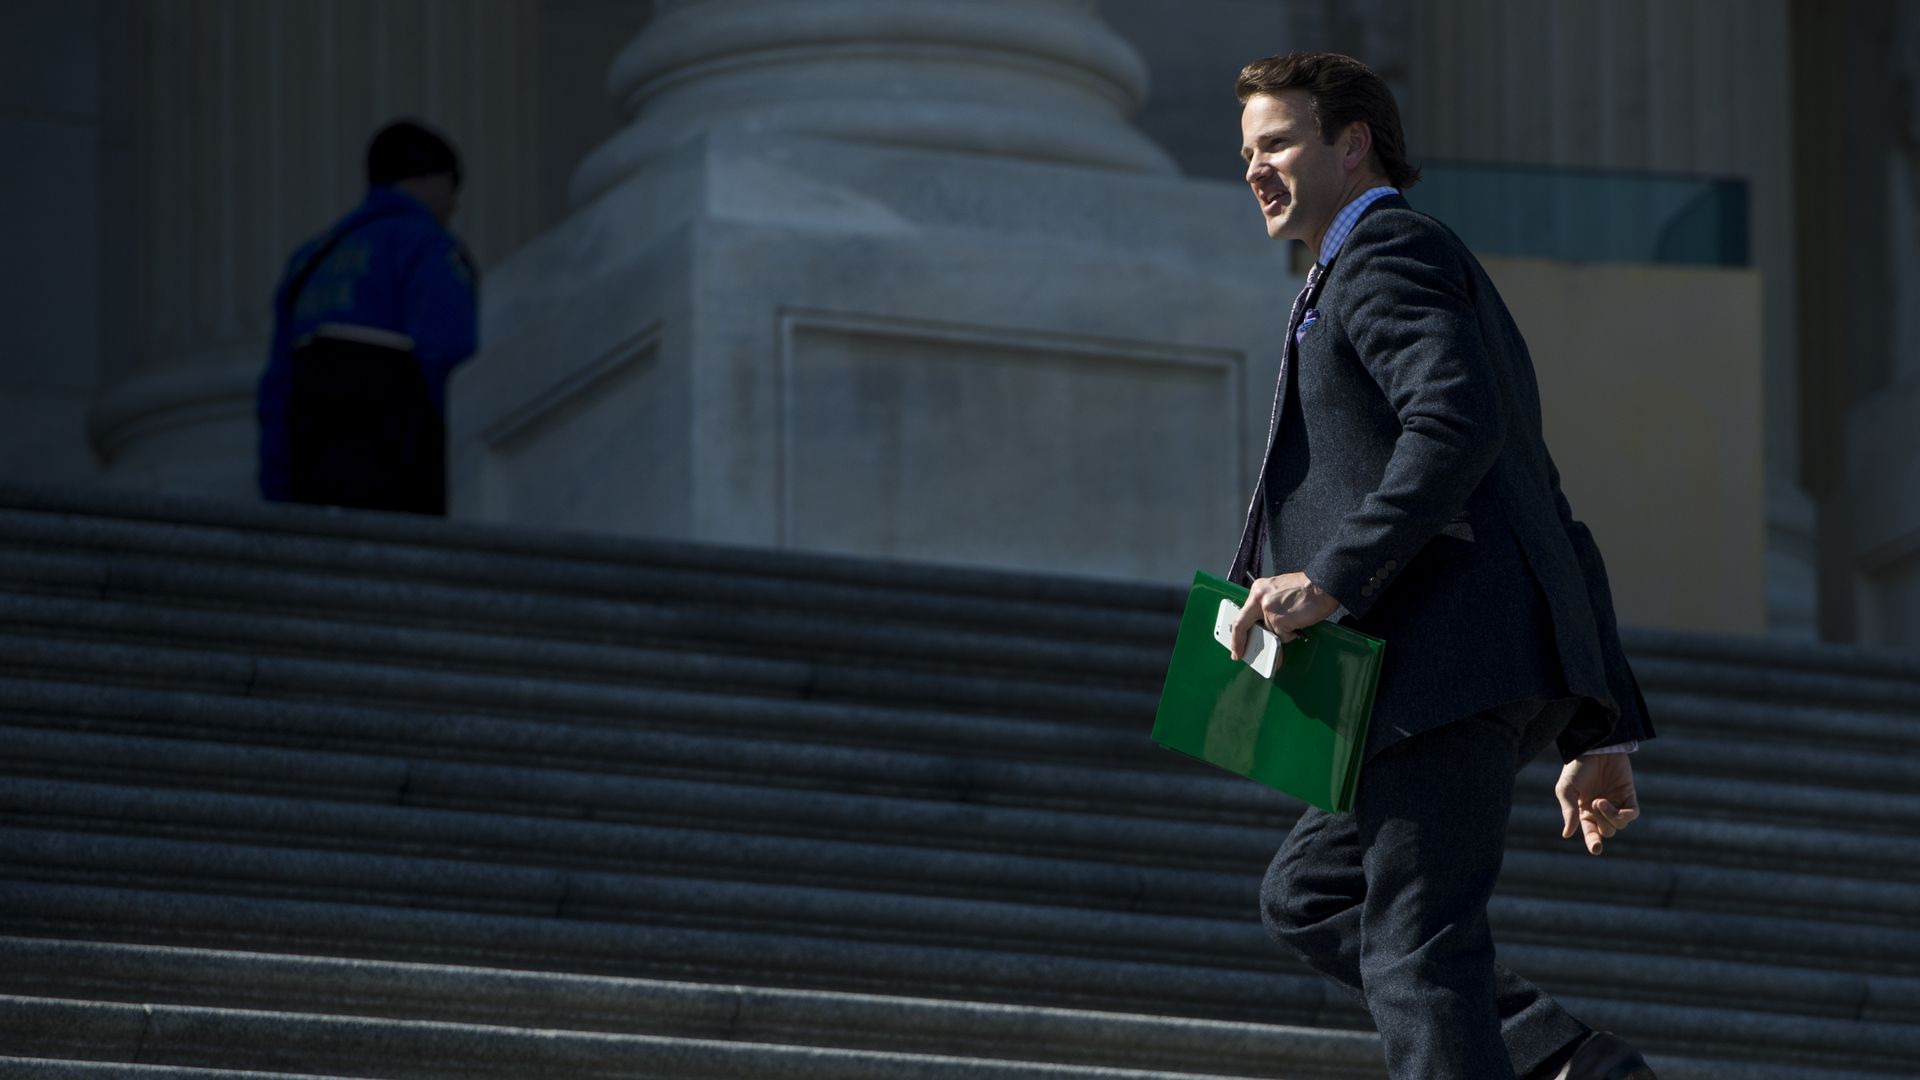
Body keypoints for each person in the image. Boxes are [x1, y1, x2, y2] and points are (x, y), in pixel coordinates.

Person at [1221, 53, 1657, 1080]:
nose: (1255, 168)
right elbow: (1538, 496)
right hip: (1435, 676)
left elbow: (1454, 430)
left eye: (1276, 142)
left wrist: (1330, 576)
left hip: (1434, 668)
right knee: (1312, 896)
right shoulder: (1375, 265)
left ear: (1352, 142)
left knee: (1419, 948)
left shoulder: (1386, 254)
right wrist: (1606, 723)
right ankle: (1565, 1064)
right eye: (1246, 151)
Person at [257, 118, 478, 515]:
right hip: (396, 469)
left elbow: (276, 389)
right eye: (454, 187)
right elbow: (450, 352)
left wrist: (277, 492)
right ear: (432, 178)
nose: (454, 205)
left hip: (312, 471)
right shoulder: (424, 243)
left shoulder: (308, 262)